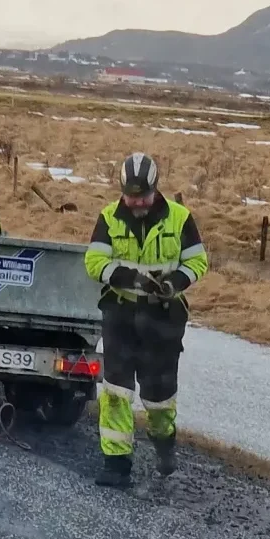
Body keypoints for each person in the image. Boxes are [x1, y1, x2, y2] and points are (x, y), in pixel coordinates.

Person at [83, 152, 209, 488]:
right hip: (121, 314)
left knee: (158, 397)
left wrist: (174, 283)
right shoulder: (109, 217)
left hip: (163, 318)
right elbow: (94, 262)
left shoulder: (180, 218)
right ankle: (116, 464)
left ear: (156, 189)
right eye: (130, 195)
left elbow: (198, 262)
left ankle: (164, 441)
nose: (136, 202)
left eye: (142, 196)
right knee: (116, 391)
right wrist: (128, 278)